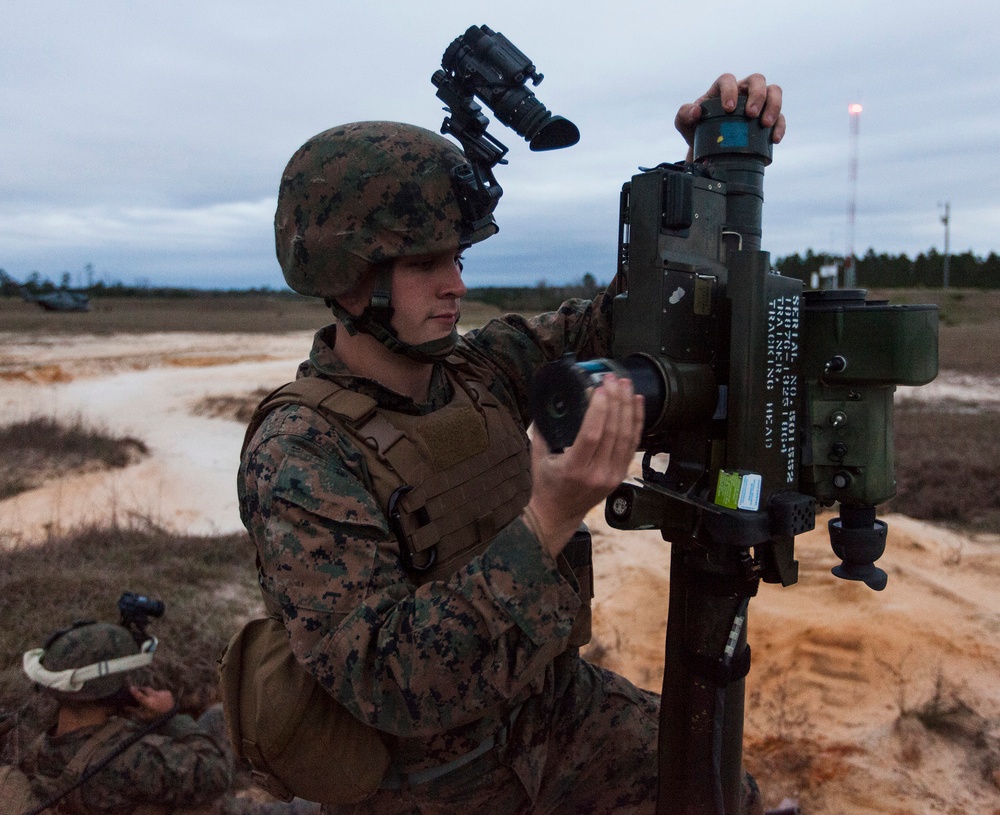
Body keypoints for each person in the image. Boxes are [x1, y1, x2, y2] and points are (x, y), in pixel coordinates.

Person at [238, 73, 784, 814]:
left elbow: (630, 321)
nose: (456, 284)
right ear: (349, 275)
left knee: (717, 792)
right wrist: (550, 514)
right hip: (425, 780)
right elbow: (385, 676)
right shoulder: (300, 451)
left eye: (457, 258)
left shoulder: (482, 366)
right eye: (426, 263)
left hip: (549, 712)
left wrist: (700, 182)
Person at [14, 619, 233, 814]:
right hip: (208, 795)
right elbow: (216, 775)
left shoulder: (40, 745)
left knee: (215, 716)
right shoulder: (130, 759)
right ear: (112, 687)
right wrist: (170, 717)